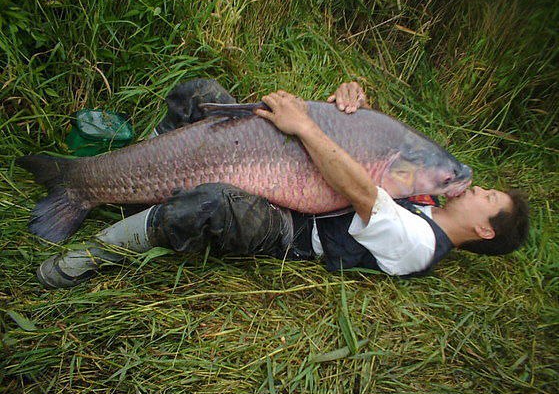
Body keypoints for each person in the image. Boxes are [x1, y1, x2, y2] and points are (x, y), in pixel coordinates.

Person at [36, 79, 530, 288]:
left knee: (211, 203)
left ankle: (88, 252)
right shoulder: (423, 195)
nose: (476, 188)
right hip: (300, 179)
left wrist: (307, 126)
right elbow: (375, 152)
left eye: (487, 198)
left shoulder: (420, 246)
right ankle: (130, 181)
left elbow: (362, 192)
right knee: (199, 95)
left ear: (485, 230)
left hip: (291, 228)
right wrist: (353, 103)